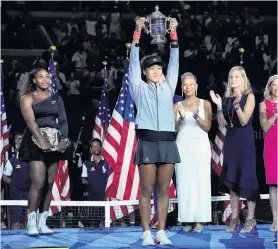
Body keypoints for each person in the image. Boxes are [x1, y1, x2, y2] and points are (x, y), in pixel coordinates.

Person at [129, 17, 179, 246]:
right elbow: (132, 62)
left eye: (159, 67)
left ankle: (161, 231)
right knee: (147, 188)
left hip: (168, 142)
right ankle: (146, 232)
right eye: (152, 68)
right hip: (147, 140)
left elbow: (175, 61)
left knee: (164, 189)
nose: (157, 71)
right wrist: (138, 32)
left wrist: (174, 33)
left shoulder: (169, 85)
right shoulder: (138, 87)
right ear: (145, 72)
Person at [19, 68, 69, 236]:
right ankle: (31, 223)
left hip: (54, 142)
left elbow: (63, 120)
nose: (45, 79)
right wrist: (41, 140)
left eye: (47, 76)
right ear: (34, 80)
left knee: (49, 183)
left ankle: (43, 222)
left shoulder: (57, 99)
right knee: (38, 183)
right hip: (35, 141)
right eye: (41, 77)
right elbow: (30, 122)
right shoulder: (27, 98)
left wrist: (63, 139)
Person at [210, 66, 259, 233]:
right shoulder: (226, 99)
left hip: (244, 141)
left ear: (243, 79)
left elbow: (244, 121)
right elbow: (223, 123)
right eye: (231, 77)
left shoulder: (249, 96)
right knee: (232, 180)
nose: (233, 80)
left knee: (247, 178)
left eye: (236, 77)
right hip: (230, 140)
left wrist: (237, 106)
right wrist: (218, 106)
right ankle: (235, 218)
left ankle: (251, 219)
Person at [174, 72, 212, 232]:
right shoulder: (177, 106)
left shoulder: (205, 104)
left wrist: (196, 117)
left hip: (200, 147)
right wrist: (181, 120)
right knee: (184, 182)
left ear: (196, 86)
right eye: (185, 84)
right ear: (182, 88)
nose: (188, 87)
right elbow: (174, 129)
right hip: (182, 146)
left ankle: (200, 220)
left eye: (191, 84)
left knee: (200, 181)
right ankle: (187, 219)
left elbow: (208, 126)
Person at [259, 74, 278, 232]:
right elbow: (264, 127)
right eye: (274, 85)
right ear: (270, 87)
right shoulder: (263, 105)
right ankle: (276, 219)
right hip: (271, 147)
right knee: (274, 184)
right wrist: (276, 114)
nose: (277, 88)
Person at [3, 133, 30, 229]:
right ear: (16, 145)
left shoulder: (31, 161)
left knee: (27, 221)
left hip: (29, 194)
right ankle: (14, 242)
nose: (21, 143)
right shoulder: (12, 161)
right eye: (19, 141)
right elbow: (5, 177)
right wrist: (14, 184)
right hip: (16, 194)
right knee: (16, 220)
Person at [81, 138, 110, 228]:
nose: (96, 148)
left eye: (97, 146)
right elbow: (83, 180)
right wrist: (93, 184)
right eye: (93, 146)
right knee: (93, 222)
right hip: (92, 197)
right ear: (91, 149)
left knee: (105, 222)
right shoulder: (87, 164)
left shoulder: (107, 162)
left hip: (105, 197)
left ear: (101, 147)